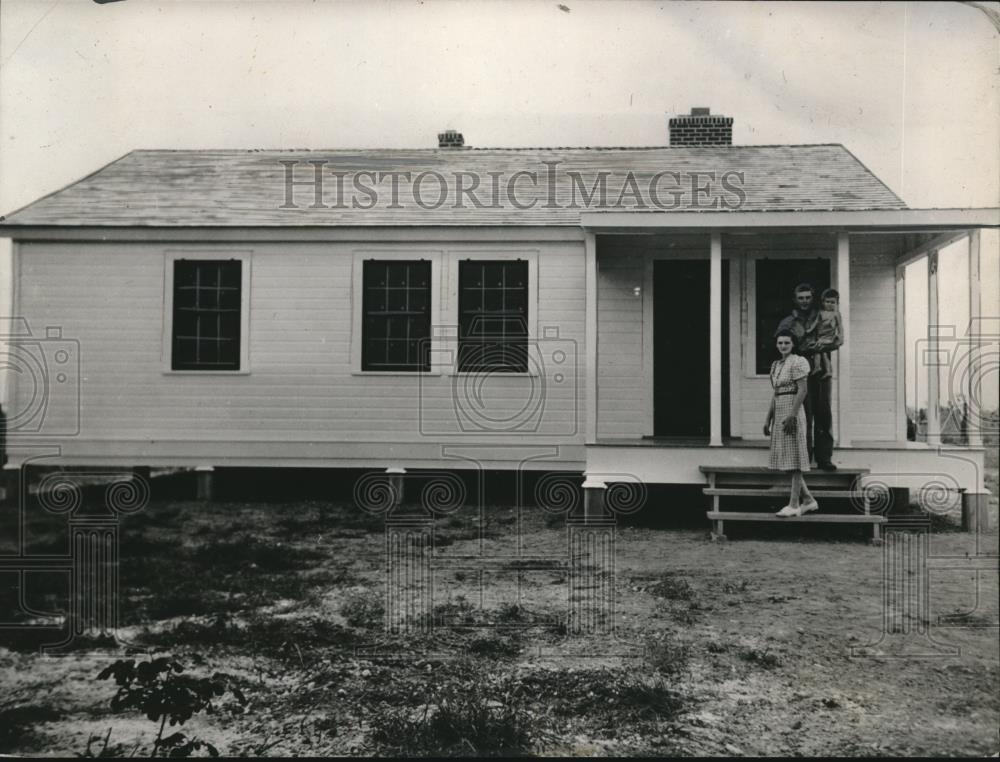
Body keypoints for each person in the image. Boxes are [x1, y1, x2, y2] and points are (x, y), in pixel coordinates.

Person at [775, 283, 837, 471]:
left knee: (823, 413)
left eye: (808, 298)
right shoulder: (789, 321)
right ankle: (804, 457)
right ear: (795, 300)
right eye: (801, 298)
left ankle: (824, 458)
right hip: (800, 370)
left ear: (813, 298)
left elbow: (835, 339)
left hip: (821, 370)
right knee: (804, 414)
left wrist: (823, 346)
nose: (804, 301)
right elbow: (781, 343)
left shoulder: (822, 317)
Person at [764, 329, 817, 517]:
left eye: (786, 342)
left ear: (793, 344)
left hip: (792, 412)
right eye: (780, 343)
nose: (783, 346)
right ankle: (809, 500)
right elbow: (776, 393)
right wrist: (768, 418)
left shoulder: (798, 362)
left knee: (793, 459)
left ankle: (794, 504)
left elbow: (802, 390)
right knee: (787, 458)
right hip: (779, 412)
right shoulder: (776, 365)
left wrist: (792, 415)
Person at [809, 288, 843, 378]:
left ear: (837, 303)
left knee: (817, 349)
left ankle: (817, 367)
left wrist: (841, 336)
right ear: (823, 302)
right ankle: (827, 370)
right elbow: (815, 323)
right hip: (821, 336)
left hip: (829, 337)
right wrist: (809, 329)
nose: (830, 304)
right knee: (823, 353)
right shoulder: (821, 313)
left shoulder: (836, 314)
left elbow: (840, 326)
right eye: (827, 302)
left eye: (833, 302)